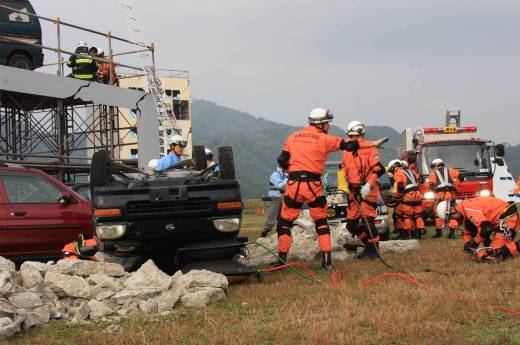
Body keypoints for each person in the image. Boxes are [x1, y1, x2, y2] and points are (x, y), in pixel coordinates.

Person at [276, 108, 387, 271]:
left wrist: (290, 172)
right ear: (321, 124)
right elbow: (348, 145)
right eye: (327, 123)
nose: (329, 125)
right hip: (314, 186)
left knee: (284, 223)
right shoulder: (325, 139)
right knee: (321, 223)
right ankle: (327, 263)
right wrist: (372, 143)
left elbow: (282, 159)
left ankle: (281, 261)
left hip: (294, 185)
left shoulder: (292, 137)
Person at [342, 121, 386, 259]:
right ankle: (368, 246)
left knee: (368, 223)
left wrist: (368, 184)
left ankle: (375, 251)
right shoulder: (347, 150)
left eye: (358, 136)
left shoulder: (371, 149)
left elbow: (379, 169)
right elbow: (343, 167)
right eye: (353, 136)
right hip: (353, 190)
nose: (356, 139)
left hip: (368, 189)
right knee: (351, 225)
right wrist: (342, 182)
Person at [437, 196, 520, 263]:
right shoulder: (465, 208)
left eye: (451, 217)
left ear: (452, 209)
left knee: (492, 255)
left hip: (507, 219)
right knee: (485, 253)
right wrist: (467, 243)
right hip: (501, 219)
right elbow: (468, 230)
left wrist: (474, 242)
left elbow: (487, 229)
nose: (454, 220)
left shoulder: (468, 209)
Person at [391, 159, 425, 239]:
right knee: (417, 215)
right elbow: (421, 179)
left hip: (409, 195)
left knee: (406, 215)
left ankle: (406, 234)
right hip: (417, 194)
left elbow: (400, 186)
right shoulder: (410, 171)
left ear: (394, 167)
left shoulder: (398, 173)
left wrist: (398, 196)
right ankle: (419, 233)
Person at [428, 158, 460, 238]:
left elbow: (431, 186)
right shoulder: (451, 170)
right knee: (452, 213)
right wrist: (456, 186)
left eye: (433, 166)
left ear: (436, 165)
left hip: (440, 195)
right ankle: (452, 233)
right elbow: (461, 177)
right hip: (451, 194)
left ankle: (439, 232)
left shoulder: (433, 173)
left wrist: (434, 192)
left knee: (438, 213)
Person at [260, 167, 288, 238]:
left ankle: (279, 233)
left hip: (283, 198)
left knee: (282, 218)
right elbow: (279, 186)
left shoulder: (284, 175)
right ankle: (264, 233)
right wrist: (287, 178)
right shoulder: (275, 175)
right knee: (272, 218)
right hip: (275, 198)